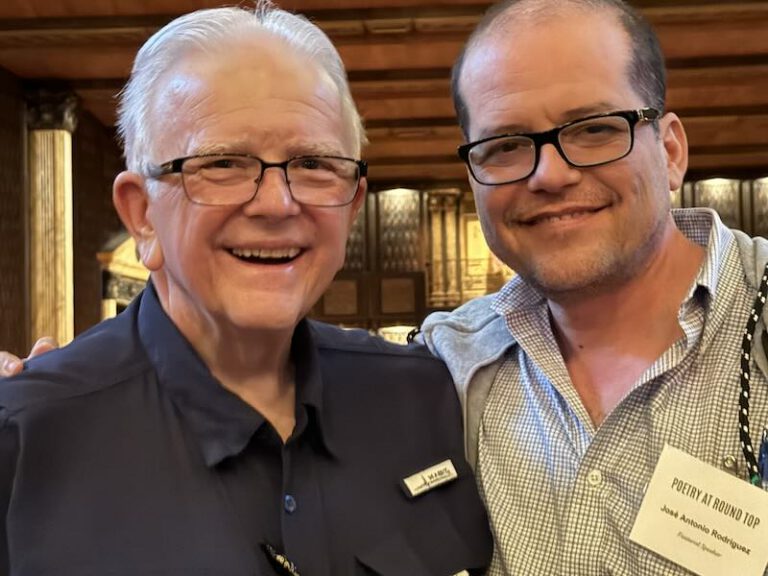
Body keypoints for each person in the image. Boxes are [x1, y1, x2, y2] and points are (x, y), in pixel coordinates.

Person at [0, 3, 492, 574]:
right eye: (223, 163)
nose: (278, 204)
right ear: (141, 215)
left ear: (352, 206)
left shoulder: (425, 396)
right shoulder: (27, 439)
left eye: (313, 163)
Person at [418, 0, 768, 574]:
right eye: (505, 145)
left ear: (671, 151)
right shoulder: (445, 365)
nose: (549, 175)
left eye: (596, 129)